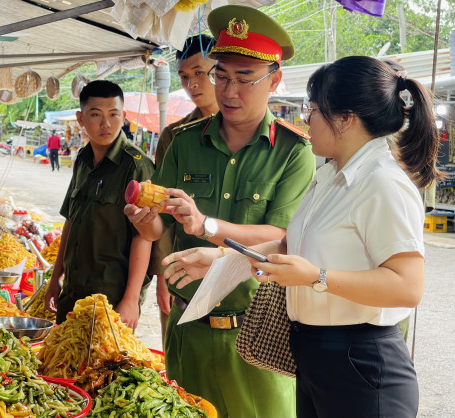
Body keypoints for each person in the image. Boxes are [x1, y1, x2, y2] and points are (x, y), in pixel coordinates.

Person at [162, 55, 443, 418]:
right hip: (316, 355)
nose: (305, 120)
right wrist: (222, 259)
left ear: (345, 119)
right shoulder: (330, 177)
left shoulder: (382, 183)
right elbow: (289, 246)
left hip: (361, 363)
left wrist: (315, 278)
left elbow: (408, 286)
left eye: (313, 110)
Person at [124, 5, 316, 417]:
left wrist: (206, 224)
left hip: (258, 335)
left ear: (275, 80)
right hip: (187, 330)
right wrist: (147, 223)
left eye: (245, 79)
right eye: (221, 76)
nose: (229, 92)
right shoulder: (185, 143)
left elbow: (283, 238)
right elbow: (161, 226)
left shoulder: (295, 153)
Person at [45, 80, 155, 330]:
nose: (106, 124)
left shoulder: (136, 165)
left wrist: (131, 299)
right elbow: (71, 221)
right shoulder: (83, 160)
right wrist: (55, 279)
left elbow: (144, 237)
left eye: (114, 114)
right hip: (73, 293)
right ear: (80, 119)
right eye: (95, 115)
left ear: (124, 116)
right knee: (63, 361)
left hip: (111, 299)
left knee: (102, 367)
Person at [150, 33, 219, 346]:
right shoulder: (174, 136)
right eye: (184, 77)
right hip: (182, 274)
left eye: (200, 74)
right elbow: (162, 210)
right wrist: (163, 272)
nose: (192, 85)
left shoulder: (259, 134)